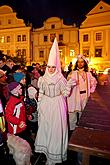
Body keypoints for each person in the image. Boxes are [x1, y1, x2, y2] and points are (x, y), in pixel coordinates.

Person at [34, 38, 77, 165]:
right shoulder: (42, 79)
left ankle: (55, 155)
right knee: (46, 128)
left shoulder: (61, 78)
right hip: (46, 105)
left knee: (56, 129)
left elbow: (65, 94)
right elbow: (41, 92)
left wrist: (69, 85)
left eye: (53, 67)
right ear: (46, 67)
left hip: (58, 105)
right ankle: (46, 152)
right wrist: (39, 105)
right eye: (49, 67)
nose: (51, 69)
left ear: (56, 66)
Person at [67, 54, 97, 132]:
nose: (80, 64)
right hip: (74, 97)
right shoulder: (72, 73)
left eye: (82, 62)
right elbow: (67, 84)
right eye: (79, 62)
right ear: (76, 63)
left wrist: (91, 90)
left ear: (84, 63)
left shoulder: (88, 74)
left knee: (82, 115)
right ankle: (72, 132)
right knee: (73, 115)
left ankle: (80, 131)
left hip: (84, 96)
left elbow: (94, 82)